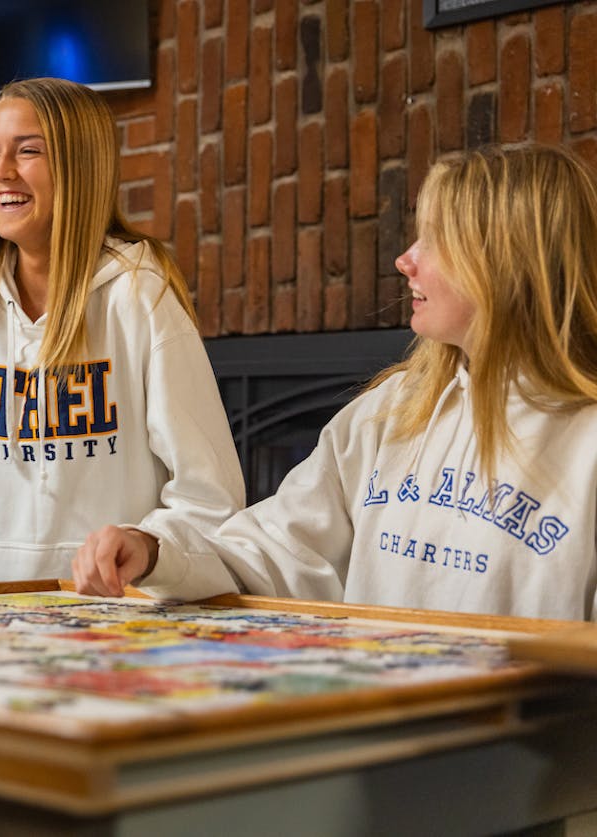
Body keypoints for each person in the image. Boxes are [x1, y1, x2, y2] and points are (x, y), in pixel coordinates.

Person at [75, 144, 597, 621]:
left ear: (506, 260)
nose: (405, 259)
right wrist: (154, 550)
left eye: (436, 240)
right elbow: (278, 547)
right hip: (376, 713)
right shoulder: (390, 411)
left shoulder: (586, 440)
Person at [0, 77, 245, 585]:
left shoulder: (140, 300)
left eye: (27, 151)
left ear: (80, 168)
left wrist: (148, 548)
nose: (0, 172)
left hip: (105, 636)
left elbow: (210, 501)